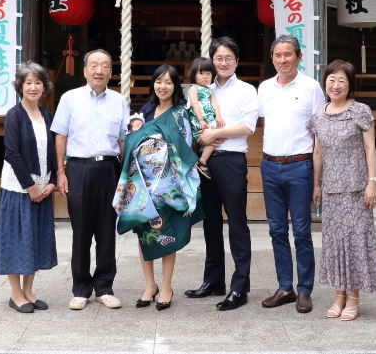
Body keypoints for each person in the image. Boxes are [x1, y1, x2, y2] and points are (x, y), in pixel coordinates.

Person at [114, 65, 204, 311]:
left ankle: (166, 286)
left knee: (166, 235)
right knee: (144, 235)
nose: (162, 86)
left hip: (167, 188)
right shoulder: (145, 112)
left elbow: (184, 147)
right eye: (158, 81)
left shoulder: (180, 114)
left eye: (168, 82)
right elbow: (131, 140)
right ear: (153, 84)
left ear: (176, 86)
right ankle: (149, 285)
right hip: (141, 187)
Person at [51, 49, 129, 311]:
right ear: (84, 71)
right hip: (78, 169)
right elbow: (60, 136)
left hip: (109, 170)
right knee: (81, 231)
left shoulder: (118, 100)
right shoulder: (70, 98)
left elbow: (122, 141)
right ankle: (81, 287)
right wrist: (60, 172)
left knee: (107, 230)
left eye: (105, 66)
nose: (99, 70)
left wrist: (126, 177)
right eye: (94, 65)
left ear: (110, 71)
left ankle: (104, 287)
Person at [185, 37, 258, 311]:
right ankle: (213, 280)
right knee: (210, 222)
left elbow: (248, 126)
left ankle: (240, 287)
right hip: (205, 162)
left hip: (231, 162)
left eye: (229, 58)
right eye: (218, 58)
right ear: (211, 61)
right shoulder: (204, 88)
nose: (223, 63)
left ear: (236, 61)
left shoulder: (247, 90)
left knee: (237, 223)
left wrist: (215, 133)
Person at [307, 59, 376, 321]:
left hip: (356, 188)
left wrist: (372, 182)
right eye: (331, 79)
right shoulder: (318, 116)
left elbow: (370, 148)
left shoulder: (360, 111)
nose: (335, 85)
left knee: (354, 243)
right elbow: (317, 152)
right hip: (331, 190)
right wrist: (316, 185)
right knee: (334, 243)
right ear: (325, 82)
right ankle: (339, 295)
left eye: (341, 80)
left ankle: (353, 297)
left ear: (350, 86)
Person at [257, 34, 325, 314]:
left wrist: (317, 180)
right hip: (270, 165)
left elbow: (320, 134)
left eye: (288, 54)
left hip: (300, 166)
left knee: (301, 231)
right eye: (277, 55)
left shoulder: (312, 88)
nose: (282, 60)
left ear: (298, 57)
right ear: (272, 58)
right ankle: (285, 286)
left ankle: (305, 289)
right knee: (276, 230)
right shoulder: (263, 88)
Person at [0, 61, 57, 314]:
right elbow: (12, 153)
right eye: (28, 82)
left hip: (42, 188)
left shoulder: (46, 115)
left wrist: (51, 182)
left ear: (45, 86)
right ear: (20, 86)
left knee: (35, 239)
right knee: (15, 239)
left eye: (38, 82)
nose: (33, 87)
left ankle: (29, 291)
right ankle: (15, 293)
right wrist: (29, 185)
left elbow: (54, 150)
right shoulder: (14, 114)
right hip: (18, 188)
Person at [186, 57, 225, 178]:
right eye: (201, 73)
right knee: (208, 138)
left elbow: (214, 103)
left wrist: (218, 116)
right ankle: (201, 161)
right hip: (198, 119)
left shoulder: (210, 90)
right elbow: (194, 104)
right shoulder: (193, 88)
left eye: (208, 73)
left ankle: (201, 160)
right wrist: (201, 120)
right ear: (194, 74)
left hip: (209, 119)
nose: (205, 77)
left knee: (215, 137)